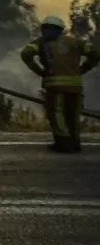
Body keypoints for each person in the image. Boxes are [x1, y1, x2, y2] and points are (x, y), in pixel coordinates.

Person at [20, 15, 99, 153]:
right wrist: (83, 69)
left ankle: (63, 143)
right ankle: (75, 143)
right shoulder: (75, 42)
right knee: (73, 114)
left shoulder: (41, 42)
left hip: (54, 86)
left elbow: (26, 53)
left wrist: (40, 71)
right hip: (75, 86)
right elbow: (95, 53)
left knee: (56, 113)